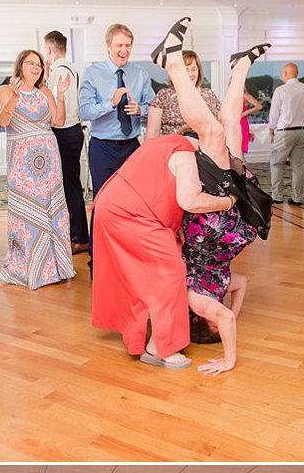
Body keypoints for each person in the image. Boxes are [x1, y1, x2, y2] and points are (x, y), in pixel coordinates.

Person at [88, 37, 238, 369]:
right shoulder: (186, 153)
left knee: (144, 275)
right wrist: (226, 202)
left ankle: (143, 334)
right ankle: (159, 348)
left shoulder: (169, 143)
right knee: (171, 272)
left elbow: (163, 193)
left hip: (114, 208)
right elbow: (188, 199)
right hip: (129, 214)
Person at [158, 29, 270, 376]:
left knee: (214, 133)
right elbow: (242, 285)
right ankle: (239, 68)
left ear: (203, 323)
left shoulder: (197, 299)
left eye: (215, 326)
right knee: (229, 129)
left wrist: (229, 357)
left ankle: (172, 62)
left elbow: (224, 317)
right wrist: (234, 311)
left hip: (213, 212)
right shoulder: (219, 287)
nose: (220, 319)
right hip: (226, 212)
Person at [0, 49, 75, 290]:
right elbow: (3, 121)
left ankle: (57, 267)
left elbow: (58, 122)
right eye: (31, 63)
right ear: (20, 65)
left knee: (54, 212)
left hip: (49, 161)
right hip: (22, 163)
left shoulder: (45, 92)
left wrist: (61, 95)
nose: (36, 67)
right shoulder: (5, 90)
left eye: (39, 64)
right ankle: (29, 268)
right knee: (27, 211)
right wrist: (15, 96)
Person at [78, 23, 153, 198]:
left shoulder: (140, 74)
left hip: (132, 147)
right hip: (102, 148)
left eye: (128, 45)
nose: (124, 50)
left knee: (133, 199)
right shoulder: (92, 73)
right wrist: (110, 104)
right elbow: (84, 112)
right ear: (108, 46)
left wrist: (140, 110)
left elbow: (154, 107)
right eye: (119, 45)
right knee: (103, 201)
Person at [41, 30, 88, 254]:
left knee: (70, 186)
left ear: (49, 49)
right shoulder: (69, 69)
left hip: (65, 132)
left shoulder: (60, 72)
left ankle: (79, 237)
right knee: (70, 184)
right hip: (72, 131)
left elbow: (59, 110)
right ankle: (74, 233)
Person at [145, 50, 221, 139]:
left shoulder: (208, 94)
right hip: (175, 148)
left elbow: (221, 123)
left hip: (206, 147)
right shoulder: (164, 96)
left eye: (194, 69)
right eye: (186, 70)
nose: (191, 74)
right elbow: (152, 133)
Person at [267, 62, 304, 206]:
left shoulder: (281, 90)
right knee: (298, 166)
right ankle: (297, 198)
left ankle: (277, 196)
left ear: (285, 74)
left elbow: (274, 113)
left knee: (276, 164)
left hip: (285, 133)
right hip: (302, 131)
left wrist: (271, 130)